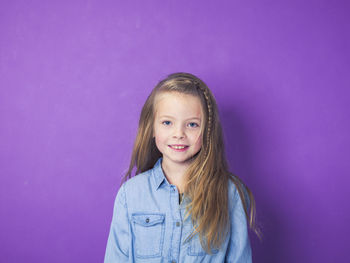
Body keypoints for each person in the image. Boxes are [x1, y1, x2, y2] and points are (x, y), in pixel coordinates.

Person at [104, 72, 260, 263]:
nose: (179, 134)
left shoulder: (230, 193)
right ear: (152, 127)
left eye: (192, 124)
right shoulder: (130, 194)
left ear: (207, 131)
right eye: (167, 122)